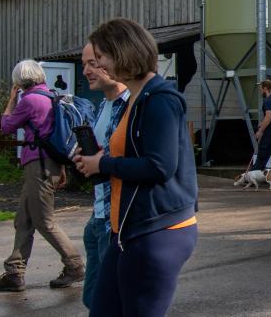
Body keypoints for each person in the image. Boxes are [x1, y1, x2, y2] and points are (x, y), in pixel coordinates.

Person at [74, 18, 199, 316]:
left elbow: (160, 167)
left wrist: (103, 162)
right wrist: (101, 162)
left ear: (121, 53)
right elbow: (139, 155)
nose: (99, 65)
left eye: (101, 57)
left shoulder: (160, 100)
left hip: (157, 231)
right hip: (127, 230)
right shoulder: (137, 98)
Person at [0, 60, 84, 292]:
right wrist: (61, 168)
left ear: (19, 80)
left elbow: (6, 126)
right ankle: (14, 272)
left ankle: (74, 265)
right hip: (49, 164)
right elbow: (54, 136)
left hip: (38, 167)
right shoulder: (51, 97)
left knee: (44, 221)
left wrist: (12, 99)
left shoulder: (30, 100)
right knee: (23, 219)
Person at [79, 43, 129, 309]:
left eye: (93, 63)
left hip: (116, 223)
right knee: (92, 300)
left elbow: (145, 165)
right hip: (97, 217)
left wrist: (102, 163)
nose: (86, 70)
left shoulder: (132, 106)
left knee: (111, 304)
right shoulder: (103, 104)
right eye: (84, 63)